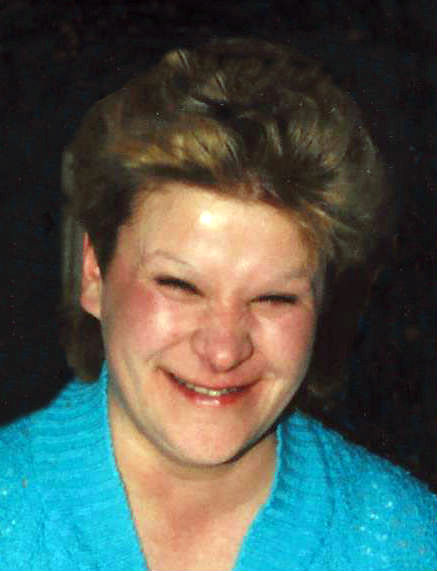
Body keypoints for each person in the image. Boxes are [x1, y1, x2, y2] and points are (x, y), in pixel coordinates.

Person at [0, 38, 435, 571]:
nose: (224, 351)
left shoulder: (410, 541)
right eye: (181, 286)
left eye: (274, 298)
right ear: (94, 274)